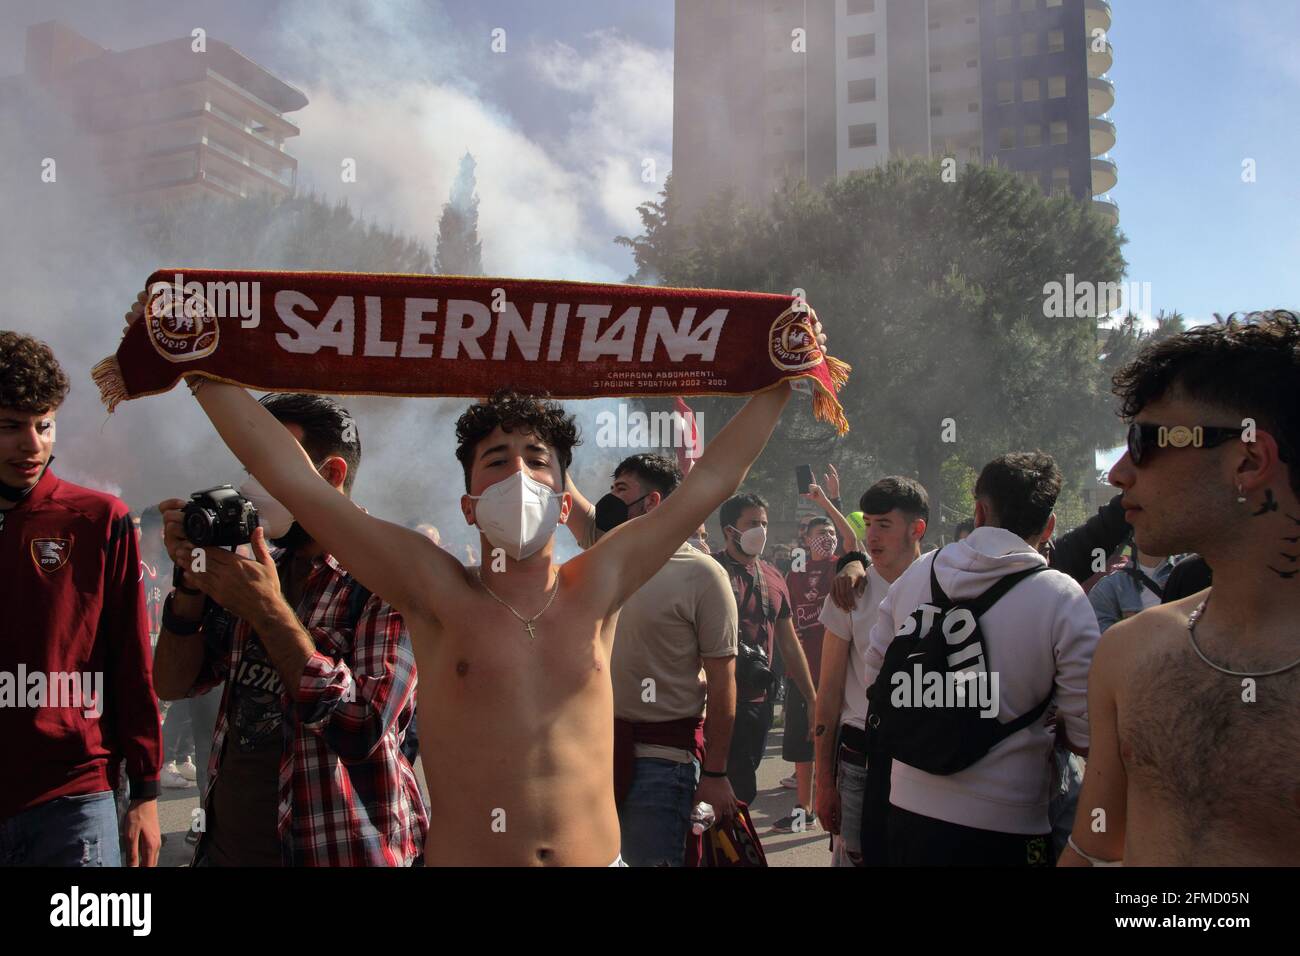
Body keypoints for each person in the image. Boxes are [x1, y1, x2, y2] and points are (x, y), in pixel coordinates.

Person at [150, 276, 811, 867]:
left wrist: (783, 379)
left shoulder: (600, 583)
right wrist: (195, 363)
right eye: (496, 460)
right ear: (468, 504)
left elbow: (714, 479)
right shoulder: (435, 591)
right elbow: (296, 482)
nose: (518, 474)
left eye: (536, 458)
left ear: (561, 498)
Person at [1062, 311, 1300, 866]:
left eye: (1144, 442)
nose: (1118, 472)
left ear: (1247, 459)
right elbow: (1094, 845)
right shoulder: (1129, 652)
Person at [152, 393, 427, 866]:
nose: (247, 485)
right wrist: (191, 583)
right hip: (227, 850)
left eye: (267, 467)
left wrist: (268, 611)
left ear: (331, 475)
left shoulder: (387, 576)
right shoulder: (263, 565)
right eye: (248, 465)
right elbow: (175, 683)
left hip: (334, 852)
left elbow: (360, 728)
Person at [867, 453, 1101, 866]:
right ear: (1049, 525)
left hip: (907, 812)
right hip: (1009, 826)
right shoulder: (1062, 597)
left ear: (979, 510)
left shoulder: (920, 573)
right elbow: (1088, 734)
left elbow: (877, 675)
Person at [0, 331, 161, 866]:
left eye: (43, 425)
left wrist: (146, 791)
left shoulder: (99, 520)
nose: (32, 444)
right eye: (9, 427)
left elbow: (132, 663)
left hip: (74, 795)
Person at [565, 453, 739, 866]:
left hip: (663, 765)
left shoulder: (702, 575)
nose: (608, 501)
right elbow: (564, 490)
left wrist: (714, 775)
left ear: (653, 503)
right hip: (595, 754)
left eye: (620, 491)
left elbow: (723, 682)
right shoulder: (605, 551)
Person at [816, 477, 928, 866]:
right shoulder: (850, 594)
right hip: (859, 757)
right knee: (855, 857)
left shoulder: (944, 587)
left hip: (923, 757)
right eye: (869, 524)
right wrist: (823, 783)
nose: (873, 536)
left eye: (885, 525)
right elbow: (827, 694)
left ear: (917, 529)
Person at [712, 492, 818, 809]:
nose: (761, 530)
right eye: (753, 523)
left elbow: (789, 642)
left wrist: (812, 699)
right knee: (721, 789)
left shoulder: (773, 576)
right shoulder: (708, 570)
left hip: (758, 703)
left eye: (764, 523)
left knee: (743, 785)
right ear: (730, 530)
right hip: (714, 702)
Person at [774, 515, 838, 831]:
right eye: (820, 533)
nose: (827, 537)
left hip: (836, 671)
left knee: (834, 741)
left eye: (831, 532)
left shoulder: (841, 565)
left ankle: (835, 805)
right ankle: (804, 811)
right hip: (802, 672)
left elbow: (854, 545)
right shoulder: (795, 573)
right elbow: (785, 615)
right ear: (806, 538)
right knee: (804, 744)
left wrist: (829, 503)